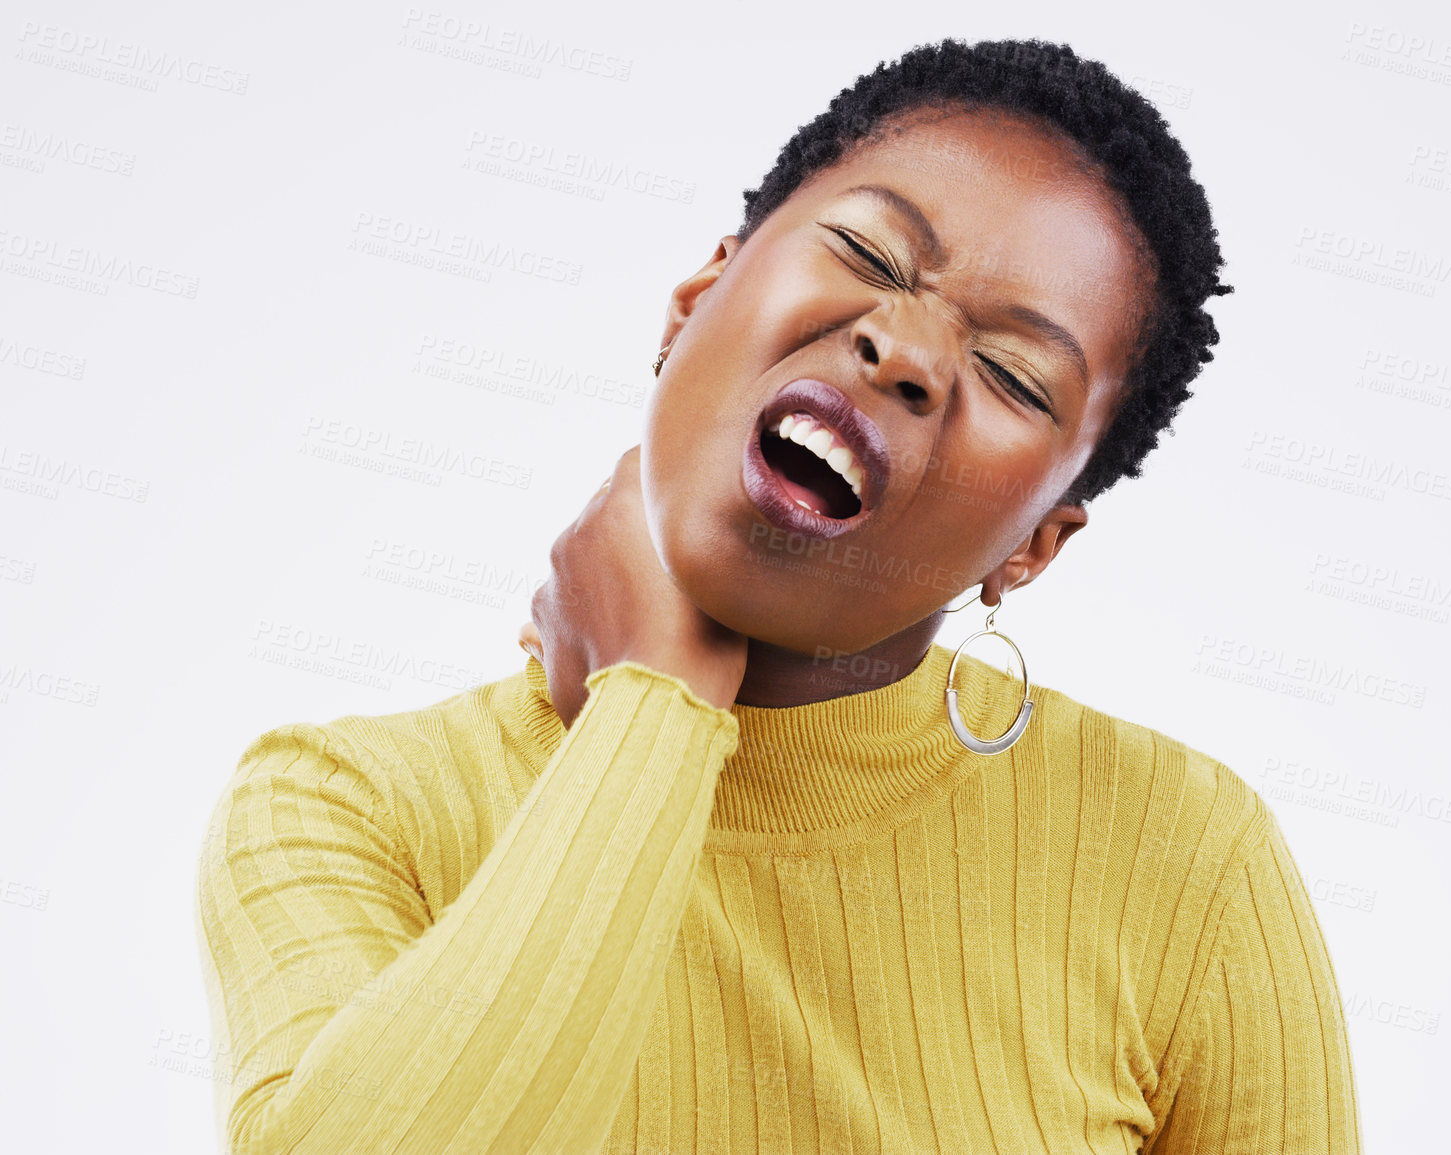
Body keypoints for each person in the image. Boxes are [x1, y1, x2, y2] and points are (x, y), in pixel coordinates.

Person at [196, 37, 1361, 1154]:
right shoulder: (346, 808)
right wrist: (656, 709)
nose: (904, 351)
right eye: (868, 256)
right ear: (696, 298)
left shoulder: (1184, 858)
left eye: (1012, 374)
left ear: (1034, 548)